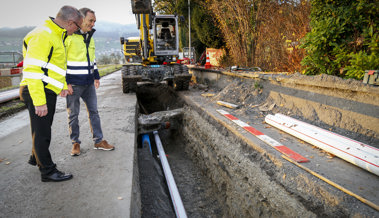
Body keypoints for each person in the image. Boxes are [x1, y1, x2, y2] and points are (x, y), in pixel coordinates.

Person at [20, 5, 83, 182]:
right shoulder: (43, 35)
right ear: (70, 23)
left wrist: (62, 85)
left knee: (40, 129)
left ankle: (36, 157)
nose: (76, 31)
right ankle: (48, 171)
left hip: (44, 89)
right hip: (37, 91)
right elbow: (33, 71)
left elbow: (53, 66)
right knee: (42, 133)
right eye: (77, 27)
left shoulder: (55, 34)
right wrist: (39, 101)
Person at [66, 8, 115, 156]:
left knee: (94, 112)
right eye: (90, 21)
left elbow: (92, 59)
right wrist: (64, 82)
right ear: (81, 20)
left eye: (94, 21)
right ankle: (75, 143)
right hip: (73, 83)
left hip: (88, 83)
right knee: (73, 115)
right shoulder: (68, 37)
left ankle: (98, 140)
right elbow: (60, 61)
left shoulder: (90, 38)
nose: (93, 24)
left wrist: (96, 76)